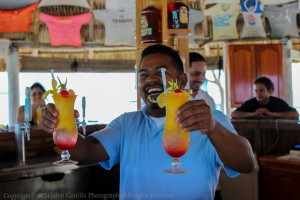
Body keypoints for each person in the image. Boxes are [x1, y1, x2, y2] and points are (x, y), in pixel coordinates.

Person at [41, 44, 254, 199]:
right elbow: (86, 152)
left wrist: (214, 129)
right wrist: (60, 123)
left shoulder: (210, 119)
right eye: (143, 75)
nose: (150, 79)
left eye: (160, 72)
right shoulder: (126, 124)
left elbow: (245, 163)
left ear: (181, 81)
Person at [231, 76, 299, 120]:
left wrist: (271, 114)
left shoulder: (277, 102)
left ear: (270, 90)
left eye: (261, 90)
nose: (257, 94)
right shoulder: (250, 103)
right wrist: (254, 114)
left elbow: (295, 114)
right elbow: (233, 114)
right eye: (256, 91)